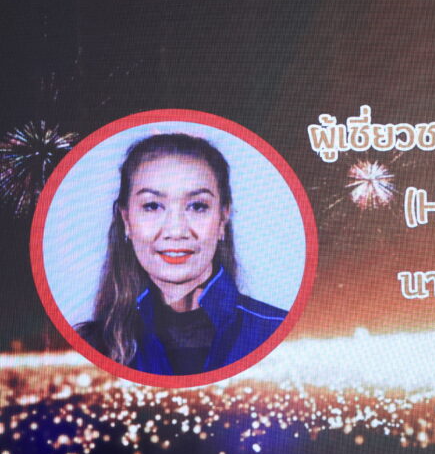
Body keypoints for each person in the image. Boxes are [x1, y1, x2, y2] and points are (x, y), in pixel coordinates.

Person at [77, 133, 288, 375]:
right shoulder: (88, 348)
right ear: (126, 220)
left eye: (197, 206)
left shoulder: (280, 334)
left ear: (222, 219)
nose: (176, 231)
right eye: (152, 206)